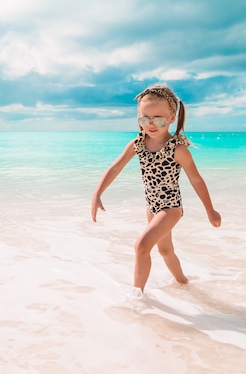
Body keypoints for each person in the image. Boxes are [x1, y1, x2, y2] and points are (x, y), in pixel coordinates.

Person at [91, 84, 221, 292]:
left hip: (170, 208)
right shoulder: (137, 143)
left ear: (171, 118)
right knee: (165, 251)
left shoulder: (177, 149)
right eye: (144, 119)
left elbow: (196, 180)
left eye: (158, 119)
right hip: (151, 206)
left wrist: (210, 210)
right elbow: (115, 168)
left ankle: (136, 297)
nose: (150, 124)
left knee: (142, 246)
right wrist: (97, 193)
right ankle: (185, 284)